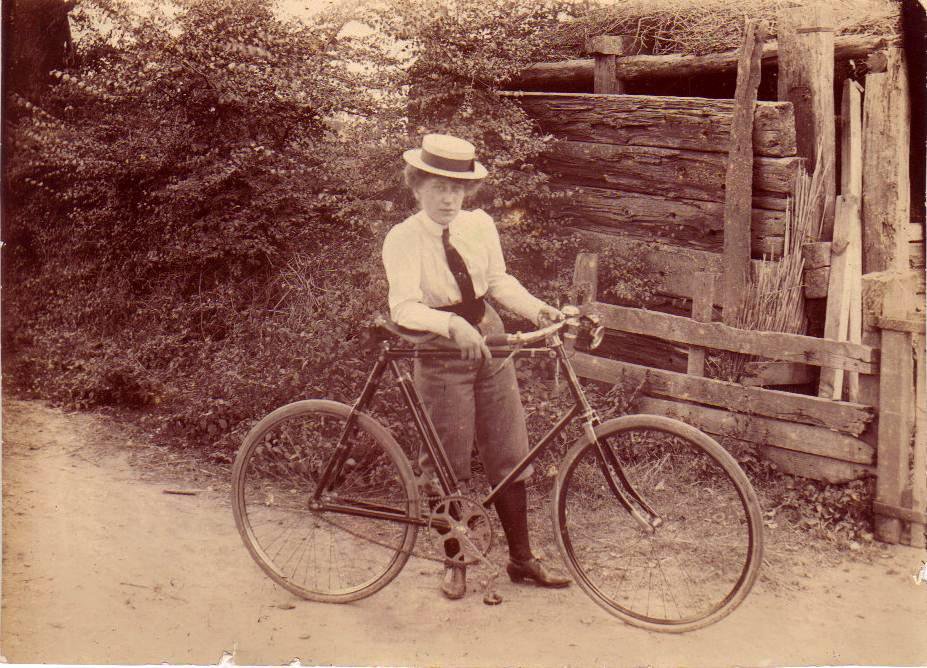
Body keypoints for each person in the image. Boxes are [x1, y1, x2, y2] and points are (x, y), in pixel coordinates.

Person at [381, 133, 571, 600]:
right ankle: (455, 560)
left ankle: (522, 559)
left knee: (510, 451)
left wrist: (538, 310)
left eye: (456, 189)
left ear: (467, 192)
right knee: (447, 460)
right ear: (417, 186)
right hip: (441, 349)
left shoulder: (480, 224)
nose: (448, 198)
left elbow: (499, 281)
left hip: (489, 335)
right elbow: (403, 308)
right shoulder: (403, 239)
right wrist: (449, 325)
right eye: (437, 187)